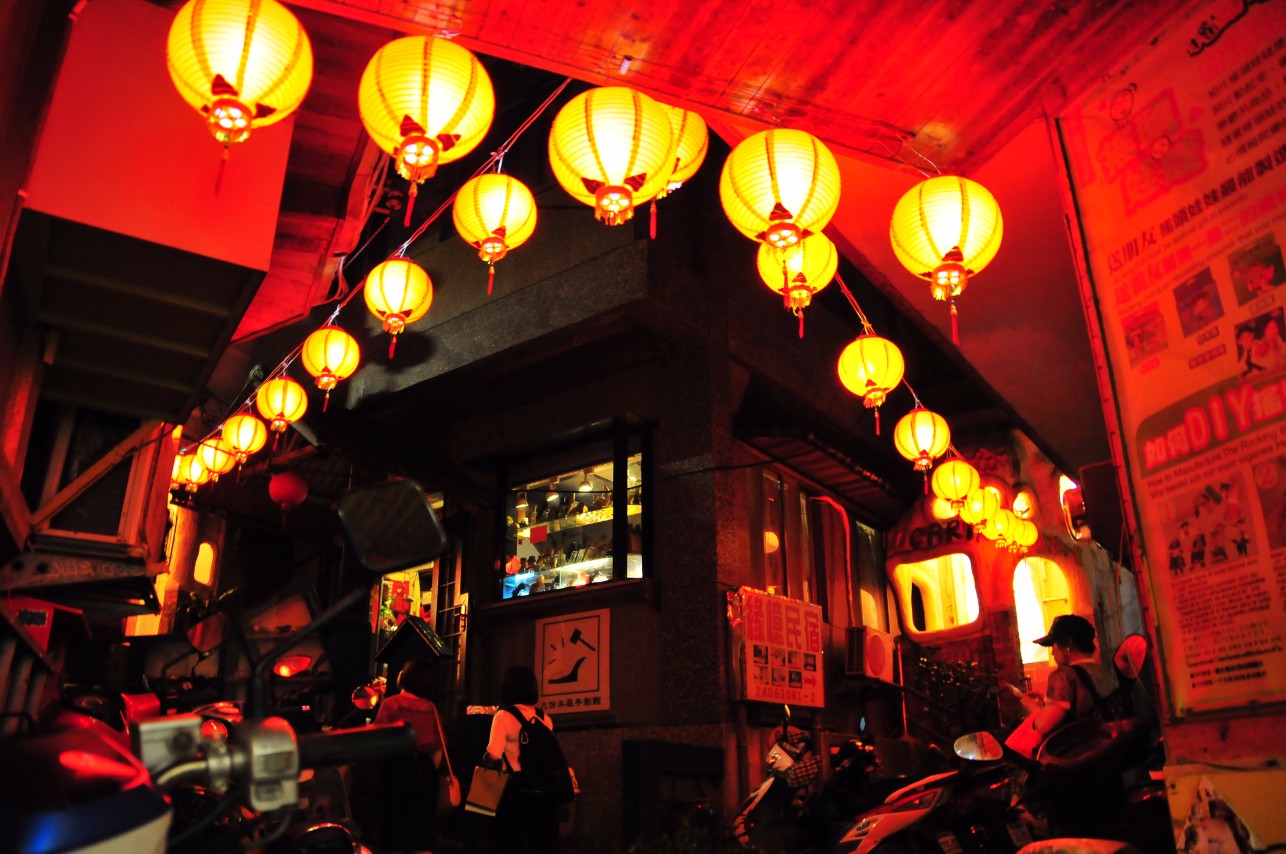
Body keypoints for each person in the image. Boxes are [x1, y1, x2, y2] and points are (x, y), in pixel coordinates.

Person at [373, 659, 449, 854]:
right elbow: (438, 748)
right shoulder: (431, 707)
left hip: (396, 769)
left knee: (395, 832)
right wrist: (428, 771)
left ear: (405, 677)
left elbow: (377, 741)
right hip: (425, 771)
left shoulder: (390, 704)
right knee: (422, 833)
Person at [484, 664, 560, 854]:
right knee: (539, 842)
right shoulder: (545, 719)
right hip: (541, 788)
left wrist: (484, 763)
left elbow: (493, 755)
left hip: (513, 788)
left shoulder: (503, 716)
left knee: (507, 841)